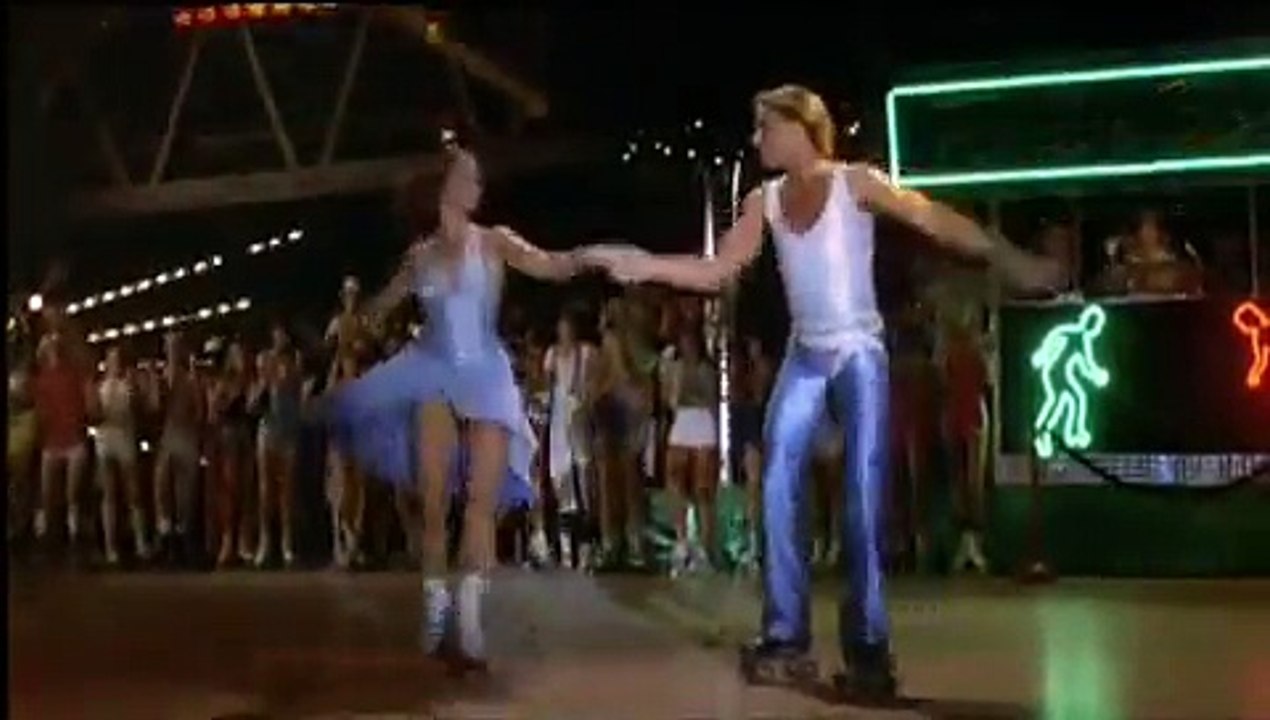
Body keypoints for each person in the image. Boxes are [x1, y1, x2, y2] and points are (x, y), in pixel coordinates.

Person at [583, 84, 1059, 703]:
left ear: (799, 126)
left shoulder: (853, 182)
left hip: (859, 351)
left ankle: (868, 652)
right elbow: (717, 268)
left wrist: (1006, 256)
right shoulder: (764, 200)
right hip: (805, 355)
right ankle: (785, 638)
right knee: (778, 480)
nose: (757, 138)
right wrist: (646, 265)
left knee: (862, 498)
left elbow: (929, 217)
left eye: (765, 127)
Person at [326, 134, 585, 673]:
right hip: (433, 373)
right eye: (468, 175)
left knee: (480, 503)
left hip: (486, 375)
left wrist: (594, 257)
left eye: (478, 177)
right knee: (434, 498)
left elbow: (550, 265)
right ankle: (435, 606)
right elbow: (377, 312)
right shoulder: (419, 257)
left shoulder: (495, 242)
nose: (477, 184)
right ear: (444, 185)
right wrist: (357, 318)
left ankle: (469, 621)